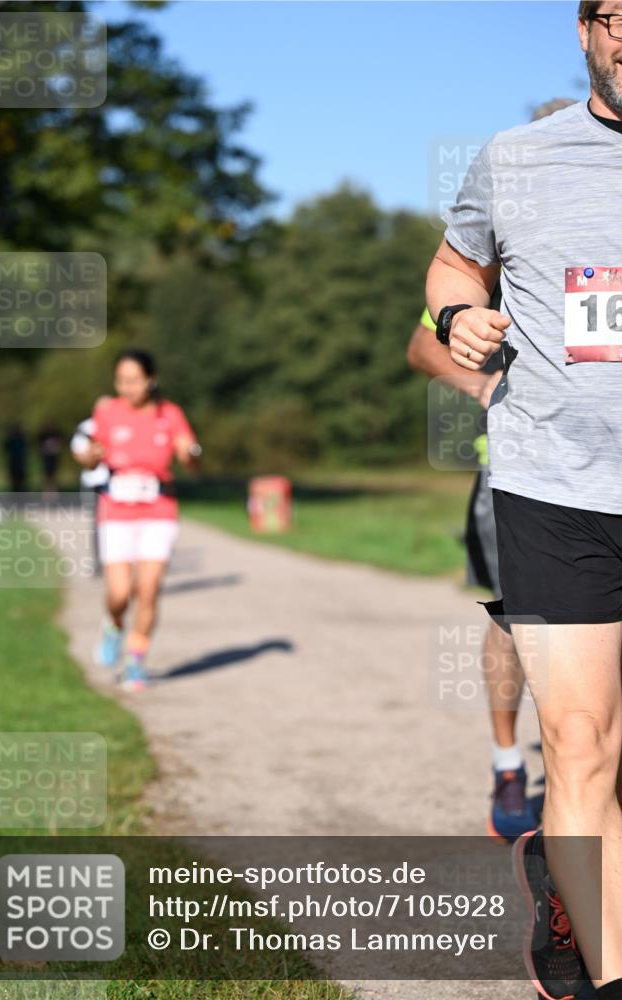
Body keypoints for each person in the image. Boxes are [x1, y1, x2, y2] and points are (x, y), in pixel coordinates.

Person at [425, 4, 621, 997]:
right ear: (584, 30)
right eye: (619, 15)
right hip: (553, 483)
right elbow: (451, 269)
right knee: (580, 739)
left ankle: (566, 871)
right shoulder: (516, 156)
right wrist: (459, 319)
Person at [408, 99, 578, 846]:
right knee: (514, 615)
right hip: (517, 471)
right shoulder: (499, 256)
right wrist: (485, 385)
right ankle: (508, 761)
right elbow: (420, 347)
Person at [74, 349, 201, 692]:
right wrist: (90, 456)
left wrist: (190, 453)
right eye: (121, 381)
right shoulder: (107, 412)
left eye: (133, 380)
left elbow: (190, 459)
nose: (126, 387)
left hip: (158, 510)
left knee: (148, 589)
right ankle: (113, 624)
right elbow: (89, 458)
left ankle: (135, 661)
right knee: (119, 592)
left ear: (150, 380)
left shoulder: (169, 413)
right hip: (116, 511)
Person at [70, 398, 112, 577]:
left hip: (115, 482)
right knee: (96, 523)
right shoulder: (85, 428)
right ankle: (98, 562)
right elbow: (78, 454)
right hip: (93, 481)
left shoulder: (120, 425)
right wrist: (93, 455)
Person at [37, 426, 63, 497]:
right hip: (47, 458)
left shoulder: (56, 436)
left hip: (53, 459)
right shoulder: (44, 437)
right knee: (47, 477)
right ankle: (46, 494)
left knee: (53, 477)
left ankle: (54, 493)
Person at [3, 424, 27, 493]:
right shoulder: (21, 439)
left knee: (16, 481)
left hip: (15, 462)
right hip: (18, 463)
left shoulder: (12, 439)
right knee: (19, 481)